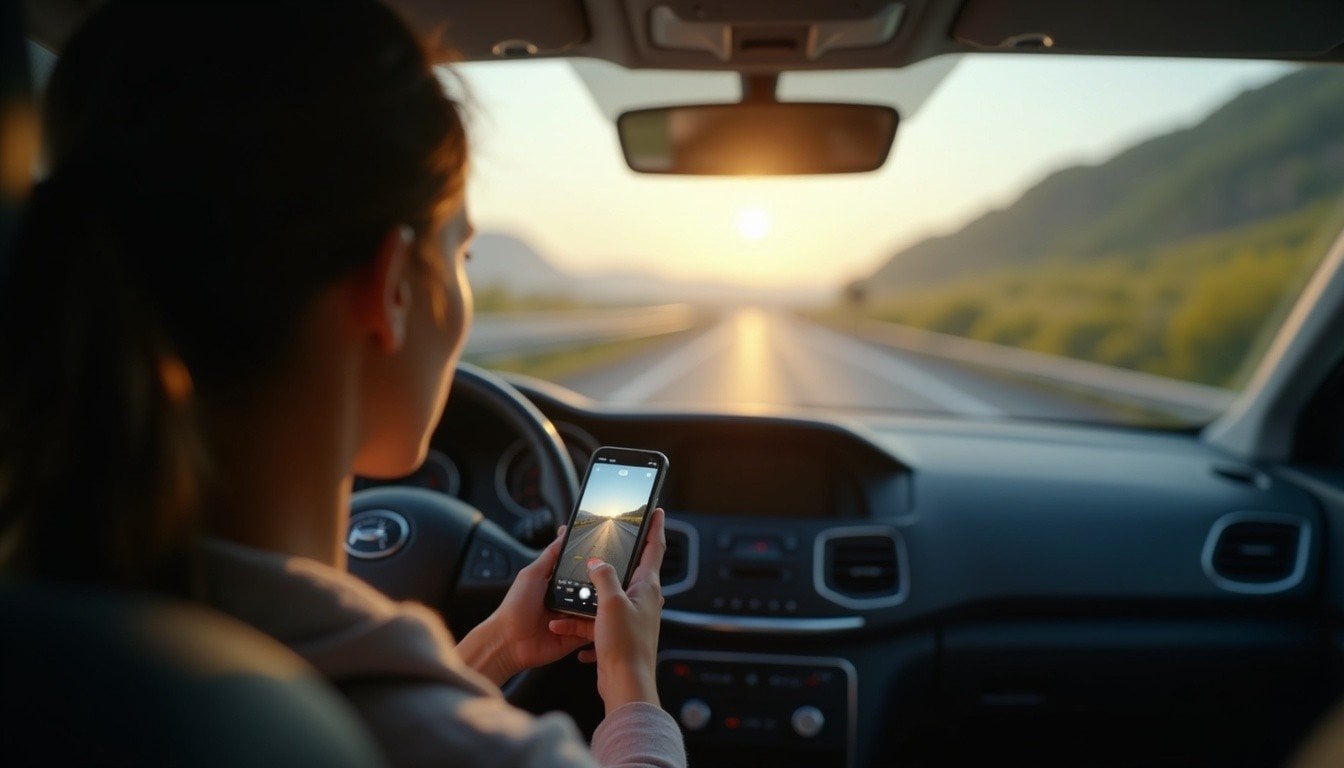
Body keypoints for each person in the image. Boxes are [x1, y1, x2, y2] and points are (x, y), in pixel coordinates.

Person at [0, 2, 685, 766]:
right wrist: (633, 681)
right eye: (461, 258)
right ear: (390, 287)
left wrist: (498, 642)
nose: (460, 289)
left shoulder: (55, 632)